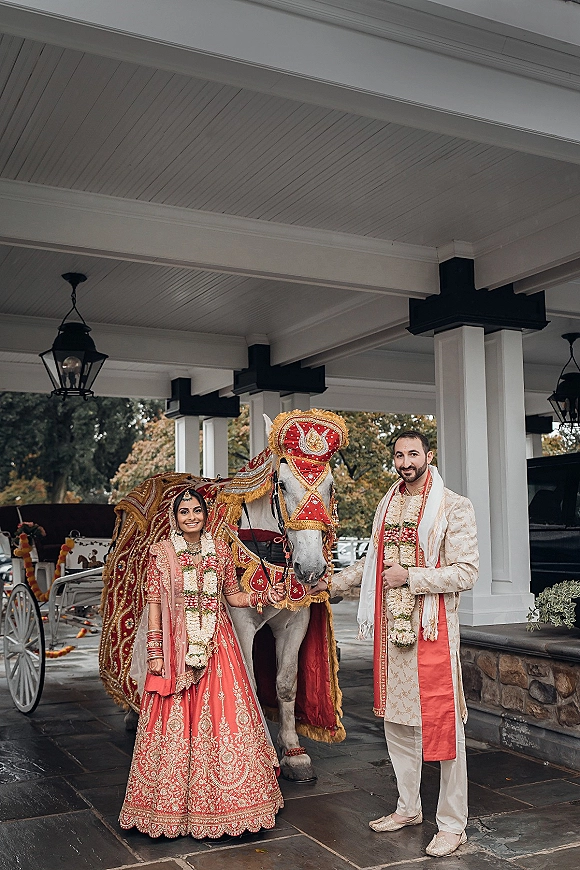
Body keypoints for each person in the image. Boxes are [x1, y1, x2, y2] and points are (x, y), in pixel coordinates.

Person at [119, 488, 284, 839]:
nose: (191, 517)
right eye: (184, 512)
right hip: (176, 645)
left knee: (226, 718)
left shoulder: (219, 549)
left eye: (197, 511)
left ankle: (232, 805)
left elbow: (233, 596)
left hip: (217, 643)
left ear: (205, 515)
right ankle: (169, 808)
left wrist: (263, 596)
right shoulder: (161, 555)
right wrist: (155, 652)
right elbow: (154, 606)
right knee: (175, 719)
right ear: (174, 518)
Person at [355, 431, 478, 858]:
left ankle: (452, 824)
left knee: (444, 729)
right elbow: (373, 565)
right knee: (398, 725)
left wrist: (412, 578)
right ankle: (408, 808)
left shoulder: (454, 506)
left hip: (433, 632)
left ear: (429, 455)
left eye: (413, 453)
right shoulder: (387, 507)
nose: (405, 461)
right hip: (393, 636)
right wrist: (326, 584)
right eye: (398, 455)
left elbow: (466, 572)